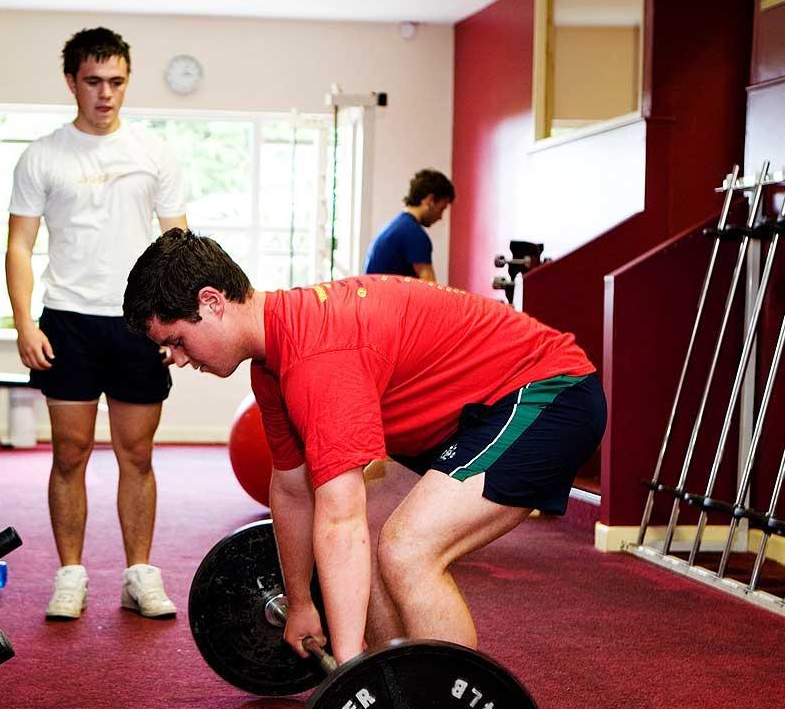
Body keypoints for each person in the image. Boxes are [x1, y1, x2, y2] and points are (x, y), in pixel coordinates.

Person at [123, 229, 605, 663]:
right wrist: (301, 603)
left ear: (212, 302)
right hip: (464, 418)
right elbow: (292, 491)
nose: (180, 360)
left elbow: (339, 515)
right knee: (375, 529)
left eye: (179, 341)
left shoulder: (318, 356)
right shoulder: (271, 366)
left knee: (407, 548)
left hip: (546, 393)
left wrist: (346, 670)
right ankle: (393, 691)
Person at [5, 26, 188, 622]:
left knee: (137, 454)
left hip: (138, 323)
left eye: (116, 81)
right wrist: (23, 322)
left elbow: (176, 243)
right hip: (69, 322)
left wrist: (177, 324)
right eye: (93, 81)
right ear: (71, 82)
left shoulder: (154, 153)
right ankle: (71, 575)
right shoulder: (42, 155)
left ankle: (139, 574)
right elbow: (19, 244)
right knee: (70, 452)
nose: (105, 93)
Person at [364, 169, 455, 282]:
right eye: (441, 209)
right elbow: (431, 289)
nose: (440, 217)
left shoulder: (395, 226)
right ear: (430, 200)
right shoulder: (414, 234)